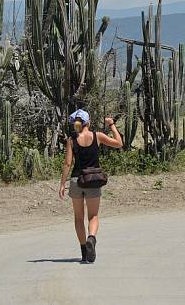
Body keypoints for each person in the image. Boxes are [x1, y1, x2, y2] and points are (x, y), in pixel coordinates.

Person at [58, 109, 123, 263]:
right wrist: (112, 125)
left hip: (76, 181)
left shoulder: (71, 140)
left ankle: (83, 251)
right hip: (93, 180)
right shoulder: (97, 136)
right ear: (88, 122)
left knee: (78, 218)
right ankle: (91, 239)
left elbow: (68, 163)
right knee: (93, 216)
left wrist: (62, 183)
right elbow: (119, 143)